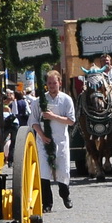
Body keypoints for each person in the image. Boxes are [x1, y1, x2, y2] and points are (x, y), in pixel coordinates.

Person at [38, 69, 76, 209]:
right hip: (44, 141)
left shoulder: (66, 100)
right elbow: (33, 121)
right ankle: (47, 203)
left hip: (61, 140)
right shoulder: (40, 100)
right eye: (49, 83)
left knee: (63, 170)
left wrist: (53, 117)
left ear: (59, 83)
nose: (52, 86)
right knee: (44, 172)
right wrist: (41, 135)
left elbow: (71, 120)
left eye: (54, 83)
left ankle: (65, 194)